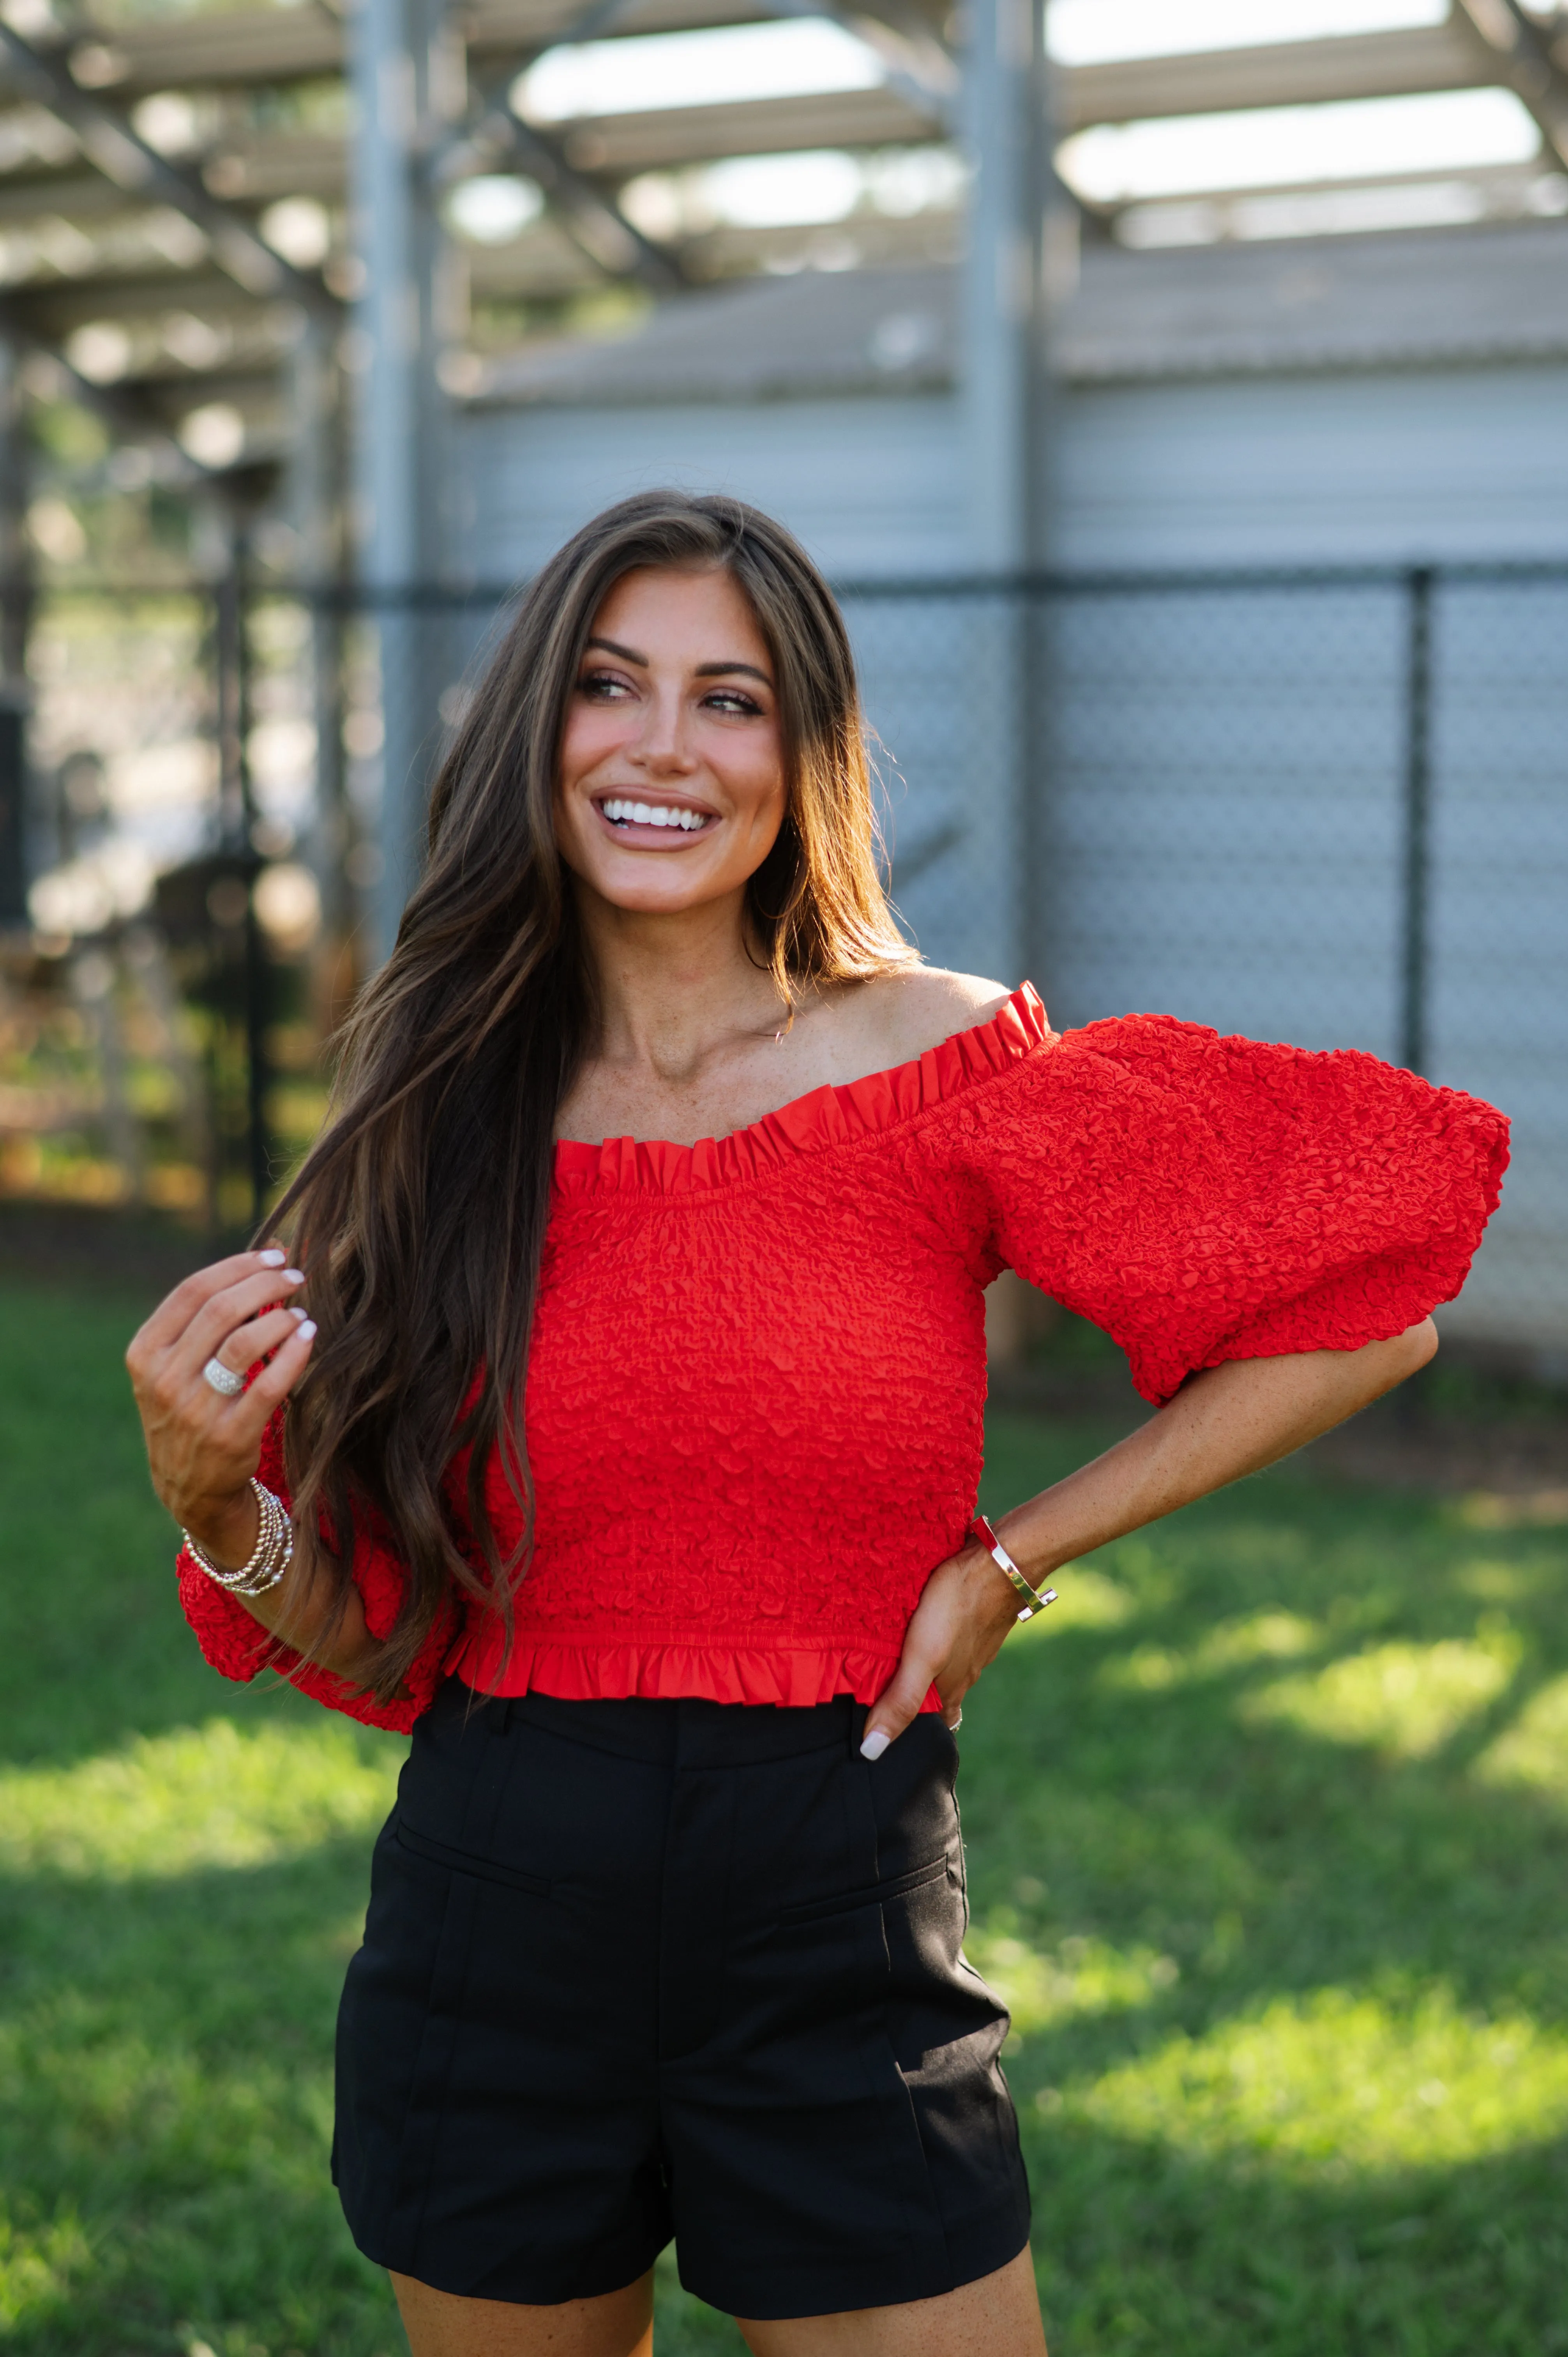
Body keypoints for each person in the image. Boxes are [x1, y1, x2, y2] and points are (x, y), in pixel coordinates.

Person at [127, 492, 1508, 2357]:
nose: (663, 748)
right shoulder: (430, 1113)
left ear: (805, 752)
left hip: (835, 1905)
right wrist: (220, 1504)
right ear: (543, 729)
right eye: (611, 686)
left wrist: (1017, 1559)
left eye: (733, 699)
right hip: (496, 1918)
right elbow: (382, 1636)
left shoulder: (947, 1066)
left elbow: (1374, 1317)